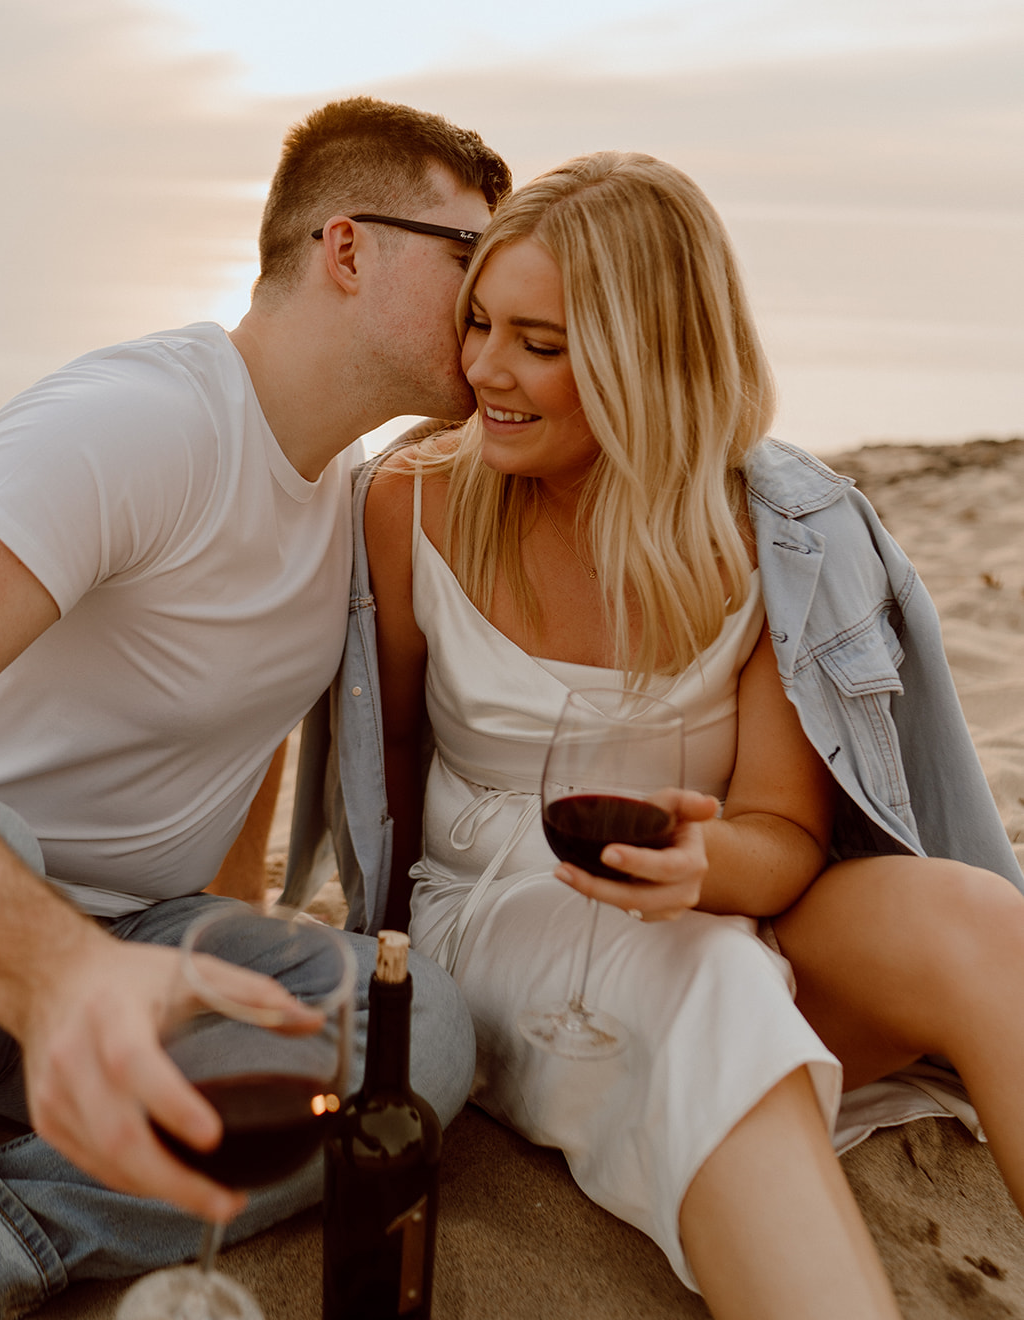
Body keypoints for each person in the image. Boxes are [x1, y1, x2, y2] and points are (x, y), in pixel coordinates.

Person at [339, 150, 1024, 1320]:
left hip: (725, 905)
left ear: (648, 355)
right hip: (499, 916)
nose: (481, 372)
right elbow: (387, 792)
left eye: (537, 344)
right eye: (479, 325)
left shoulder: (777, 534)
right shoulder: (410, 505)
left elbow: (781, 834)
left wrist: (707, 863)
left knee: (975, 919)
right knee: (705, 976)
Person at [0, 96, 510, 1320]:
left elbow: (243, 739)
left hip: (132, 937)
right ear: (347, 247)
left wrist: (214, 946)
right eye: (469, 255)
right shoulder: (138, 422)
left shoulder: (347, 501)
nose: (492, 299)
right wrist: (52, 975)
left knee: (409, 1041)